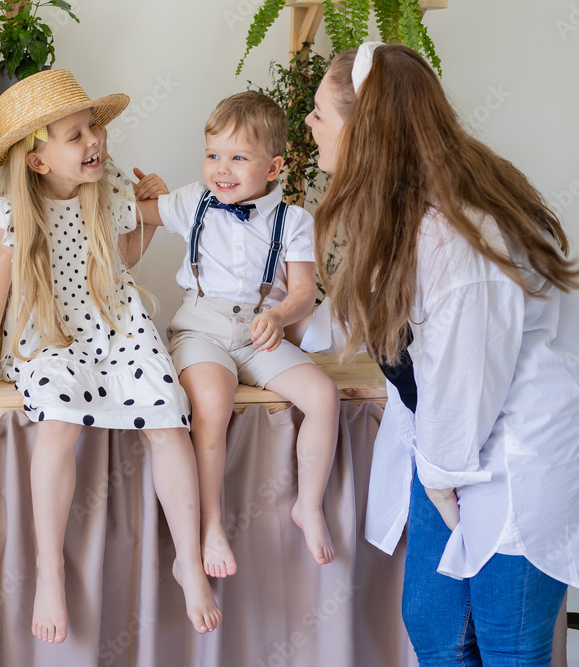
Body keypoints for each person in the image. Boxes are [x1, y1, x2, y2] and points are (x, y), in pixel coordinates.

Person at [304, 43, 579, 663]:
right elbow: (379, 315)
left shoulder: (457, 232)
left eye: (320, 113)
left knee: (507, 643)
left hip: (515, 454)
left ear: (363, 128)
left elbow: (464, 375)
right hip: (452, 446)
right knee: (433, 625)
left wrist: (444, 476)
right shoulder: (404, 209)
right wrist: (285, 329)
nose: (310, 126)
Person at [0, 69, 221, 643]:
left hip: (117, 323)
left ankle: (189, 561)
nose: (93, 140)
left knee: (169, 416)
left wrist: (151, 207)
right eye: (74, 135)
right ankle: (50, 569)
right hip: (50, 335)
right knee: (58, 423)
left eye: (92, 127)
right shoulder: (15, 214)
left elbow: (124, 256)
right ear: (38, 161)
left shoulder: (110, 189)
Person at [140, 91, 342, 577]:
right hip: (201, 328)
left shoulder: (294, 221)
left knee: (323, 395)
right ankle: (211, 525)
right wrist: (141, 193)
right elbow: (136, 213)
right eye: (213, 155)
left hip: (260, 332)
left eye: (238, 157)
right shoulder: (192, 201)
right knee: (211, 402)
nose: (221, 169)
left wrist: (278, 316)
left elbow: (302, 292)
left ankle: (308, 505)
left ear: (273, 168)